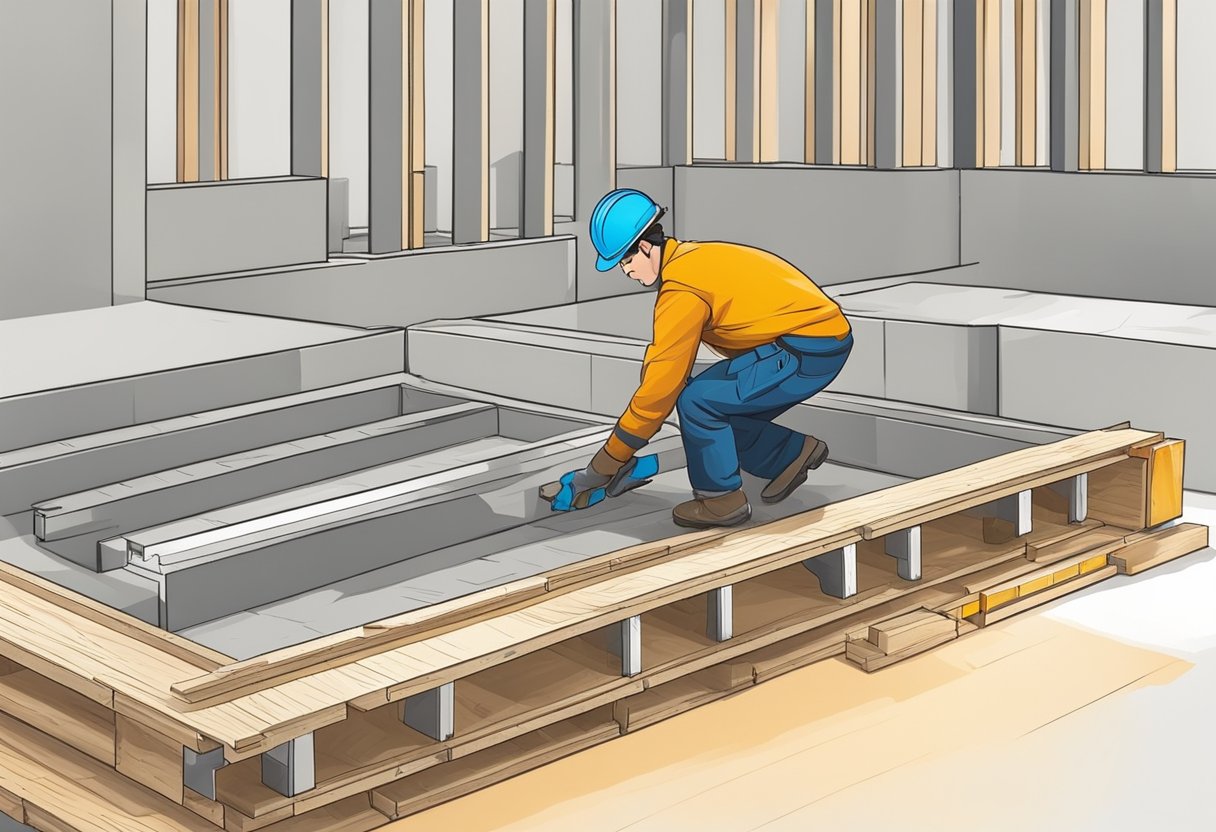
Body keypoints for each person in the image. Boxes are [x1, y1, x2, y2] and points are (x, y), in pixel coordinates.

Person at [569, 188, 853, 529]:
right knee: (712, 395)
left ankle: (721, 500)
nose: (626, 272)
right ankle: (789, 454)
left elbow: (660, 387)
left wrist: (606, 463)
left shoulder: (682, 291)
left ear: (645, 247)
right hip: (812, 339)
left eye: (626, 261)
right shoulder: (691, 259)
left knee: (697, 402)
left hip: (807, 349)